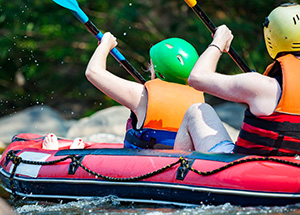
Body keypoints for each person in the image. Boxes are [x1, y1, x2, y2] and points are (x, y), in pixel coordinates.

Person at [174, 3, 300, 156]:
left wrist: (218, 42)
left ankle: (173, 170)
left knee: (197, 111)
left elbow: (197, 78)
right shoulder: (261, 85)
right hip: (292, 171)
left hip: (248, 171)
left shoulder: (262, 86)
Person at [84, 32, 204, 149]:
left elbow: (93, 72)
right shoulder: (199, 101)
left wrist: (105, 44)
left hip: (149, 164)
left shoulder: (143, 95)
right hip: (183, 164)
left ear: (159, 73)